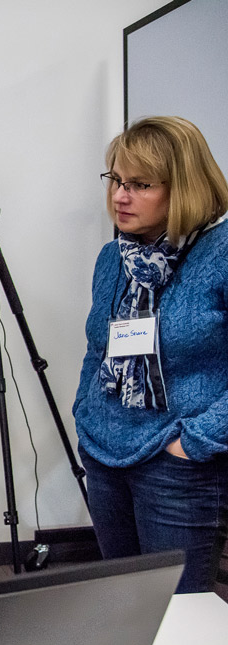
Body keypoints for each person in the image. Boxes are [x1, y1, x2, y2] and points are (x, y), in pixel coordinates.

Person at [73, 116, 228, 593]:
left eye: (139, 185)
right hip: (104, 455)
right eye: (116, 180)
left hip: (178, 464)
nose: (120, 196)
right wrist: (86, 416)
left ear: (183, 188)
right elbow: (98, 348)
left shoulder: (220, 254)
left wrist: (196, 442)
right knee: (127, 607)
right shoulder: (113, 257)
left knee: (179, 613)